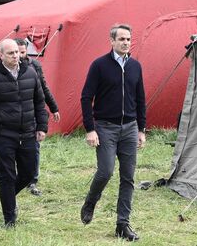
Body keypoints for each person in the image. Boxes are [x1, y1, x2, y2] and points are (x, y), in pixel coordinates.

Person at [80, 24, 146, 242]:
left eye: (128, 39)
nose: (126, 42)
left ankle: (122, 224)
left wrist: (141, 129)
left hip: (129, 128)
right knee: (106, 171)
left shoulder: (136, 66)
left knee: (128, 178)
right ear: (112, 41)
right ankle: (91, 201)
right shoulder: (99, 65)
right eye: (121, 39)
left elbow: (141, 99)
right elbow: (85, 97)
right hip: (105, 127)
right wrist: (90, 129)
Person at [0, 39, 47, 228]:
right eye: (11, 53)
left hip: (28, 132)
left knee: (29, 172)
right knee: (7, 175)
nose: (16, 56)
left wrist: (42, 126)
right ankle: (9, 218)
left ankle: (7, 198)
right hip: (3, 135)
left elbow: (39, 101)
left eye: (17, 52)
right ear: (1, 56)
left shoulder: (30, 73)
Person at [0, 39, 61, 195]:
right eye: (15, 52)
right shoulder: (2, 71)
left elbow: (42, 89)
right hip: (9, 121)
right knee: (7, 152)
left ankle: (32, 181)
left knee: (33, 149)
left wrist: (53, 107)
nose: (19, 55)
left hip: (31, 116)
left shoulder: (34, 67)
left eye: (21, 52)